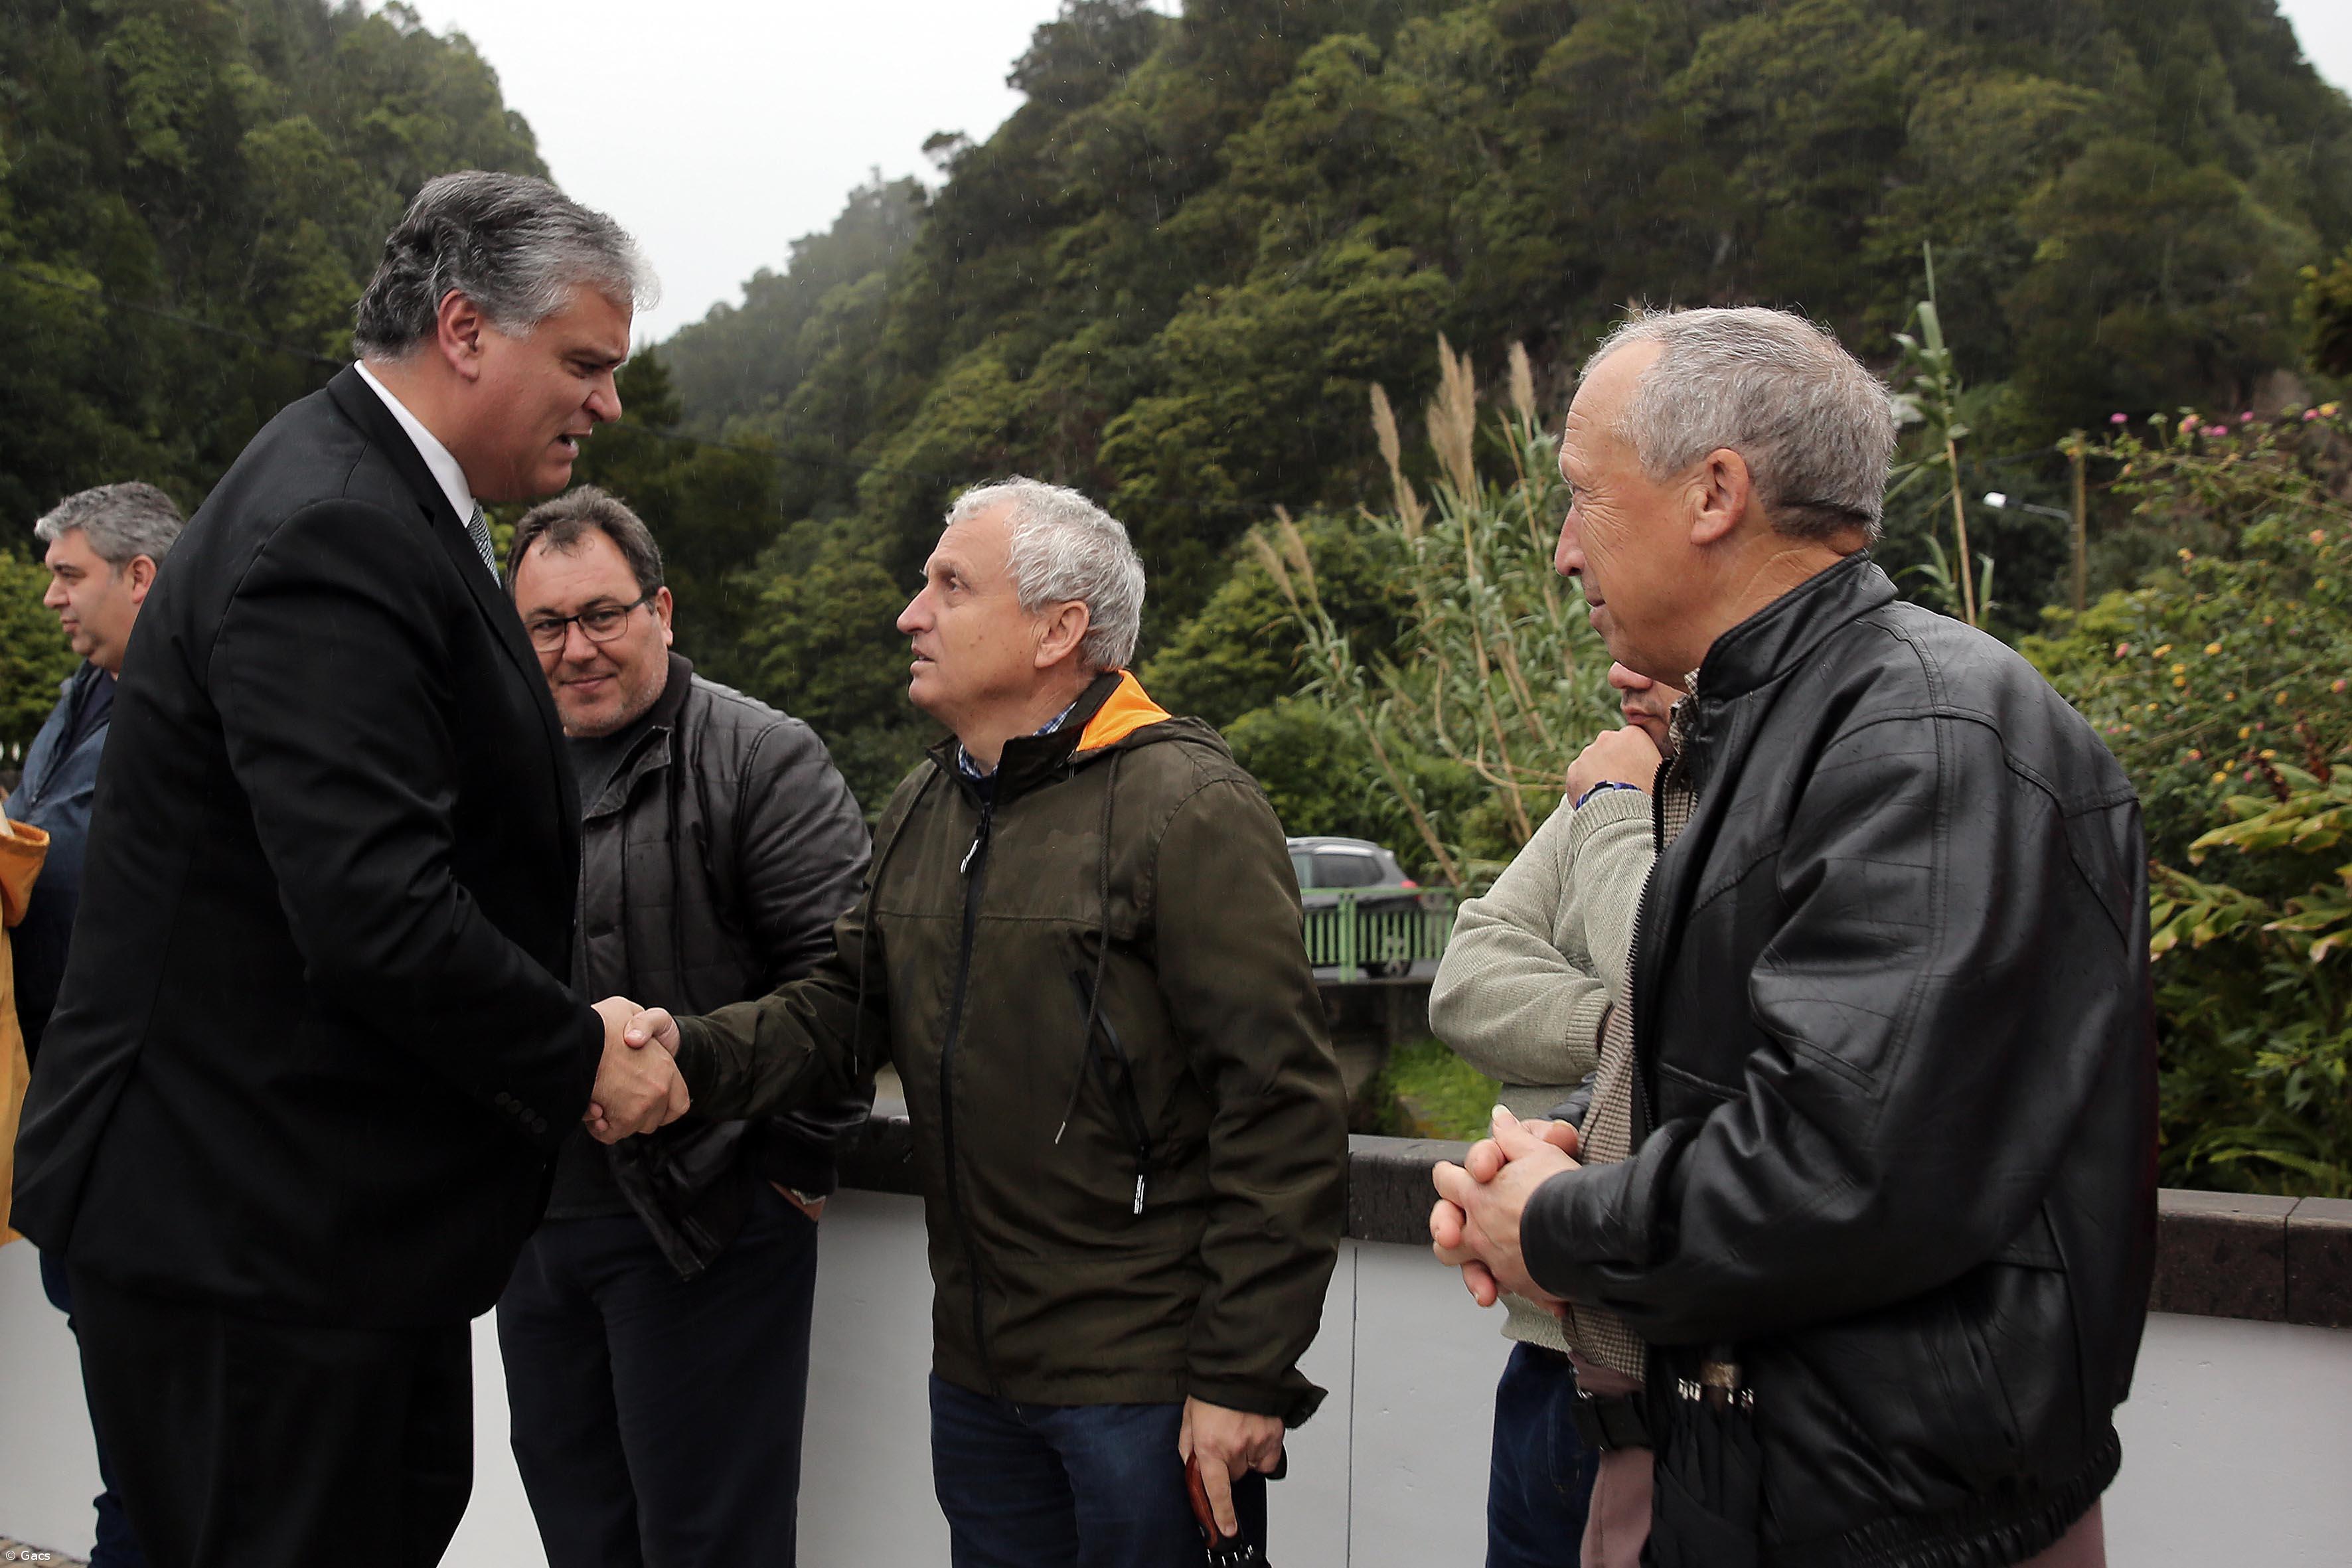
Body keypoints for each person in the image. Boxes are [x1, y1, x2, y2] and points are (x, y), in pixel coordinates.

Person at [11, 172, 686, 1568]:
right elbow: (372, 906)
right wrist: (576, 1053)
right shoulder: (334, 522)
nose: (606, 405)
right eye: (582, 363)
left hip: (317, 1233)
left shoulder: (392, 500)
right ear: (462, 329)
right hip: (251, 1245)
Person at [1432, 306, 2154, 1568]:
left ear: (1714, 492)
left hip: (1901, 1523)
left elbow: (1841, 1167)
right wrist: (1586, 1158)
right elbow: (1802, 1097)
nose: (1562, 551)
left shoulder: (1924, 731)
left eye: (1583, 500)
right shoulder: (1772, 731)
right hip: (1771, 1488)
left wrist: (1559, 1227)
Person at [597, 478, 1348, 1568]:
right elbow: (832, 1017)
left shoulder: (1186, 805)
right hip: (981, 1384)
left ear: (1059, 629)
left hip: (1143, 1388)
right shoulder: (925, 804)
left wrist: (1243, 1374)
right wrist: (681, 1056)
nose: (912, 612)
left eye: (950, 584)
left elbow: (1282, 1107)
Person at [498, 487, 871, 1567]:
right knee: (583, 1540)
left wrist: (787, 1178)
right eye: (548, 625)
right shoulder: (495, 774)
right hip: (533, 1234)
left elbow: (847, 993)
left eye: (603, 614)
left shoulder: (762, 757)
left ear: (662, 608)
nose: (577, 648)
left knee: (711, 1548)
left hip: (706, 1230)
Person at [1427, 662, 1683, 1568]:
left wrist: (1616, 813)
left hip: (1695, 1381)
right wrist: (1619, 1029)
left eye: (1664, 640)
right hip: (1553, 1355)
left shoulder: (1635, 791)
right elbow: (1465, 979)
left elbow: (1694, 999)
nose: (1623, 669)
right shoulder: (1612, 775)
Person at [10, 481, 187, 1567]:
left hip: (149, 1135)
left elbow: (66, 870)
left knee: (157, 1446)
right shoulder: (86, 693)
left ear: (142, 576)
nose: (49, 599)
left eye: (69, 574)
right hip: (79, 1123)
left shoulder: (188, 706)